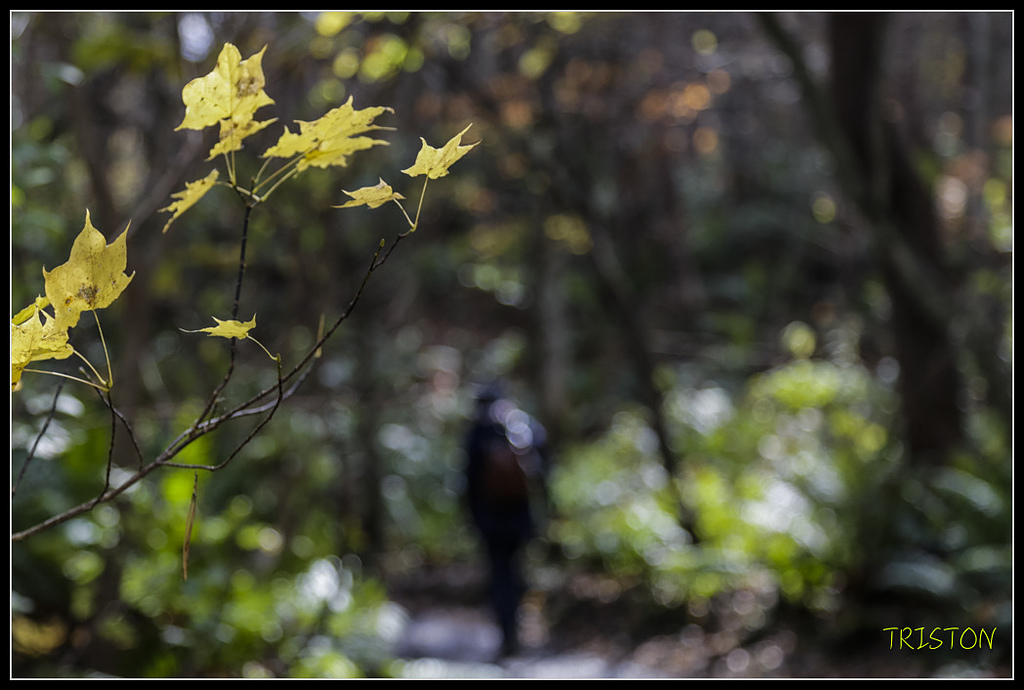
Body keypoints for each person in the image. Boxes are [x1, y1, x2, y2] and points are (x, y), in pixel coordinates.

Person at [463, 381, 549, 658]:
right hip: (519, 517)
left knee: (500, 574)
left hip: (491, 520)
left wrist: (471, 517)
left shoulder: (478, 432)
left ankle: (507, 632)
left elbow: (468, 479)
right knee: (517, 571)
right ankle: (518, 626)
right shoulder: (522, 425)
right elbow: (542, 469)